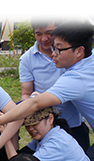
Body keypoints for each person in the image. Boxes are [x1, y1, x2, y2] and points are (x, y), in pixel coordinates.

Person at [0, 20, 94, 161]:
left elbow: (34, 103)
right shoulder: (89, 60)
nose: (53, 54)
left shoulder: (75, 78)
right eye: (53, 48)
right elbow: (29, 97)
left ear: (79, 51)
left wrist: (1, 119)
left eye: (58, 49)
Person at [19, 13, 89, 151]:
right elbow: (26, 94)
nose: (44, 39)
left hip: (74, 125)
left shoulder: (72, 55)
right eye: (38, 34)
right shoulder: (27, 59)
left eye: (49, 33)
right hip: (47, 128)